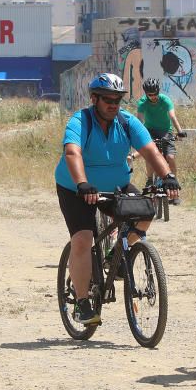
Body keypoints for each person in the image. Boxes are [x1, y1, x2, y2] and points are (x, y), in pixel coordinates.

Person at [55, 73, 181, 325]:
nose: (113, 104)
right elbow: (72, 152)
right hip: (77, 189)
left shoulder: (127, 122)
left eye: (117, 100)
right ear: (94, 99)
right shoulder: (81, 121)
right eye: (107, 99)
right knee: (83, 240)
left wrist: (167, 176)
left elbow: (150, 151)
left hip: (116, 185)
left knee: (145, 212)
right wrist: (82, 183)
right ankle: (82, 302)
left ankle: (114, 256)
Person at [134, 77, 186, 204]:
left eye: (155, 93)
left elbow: (172, 116)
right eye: (150, 95)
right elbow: (139, 122)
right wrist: (137, 135)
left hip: (165, 131)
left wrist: (179, 131)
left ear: (158, 91)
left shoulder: (165, 100)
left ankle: (173, 183)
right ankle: (149, 179)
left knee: (171, 157)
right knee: (150, 155)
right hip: (149, 130)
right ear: (146, 94)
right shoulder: (142, 103)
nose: (153, 97)